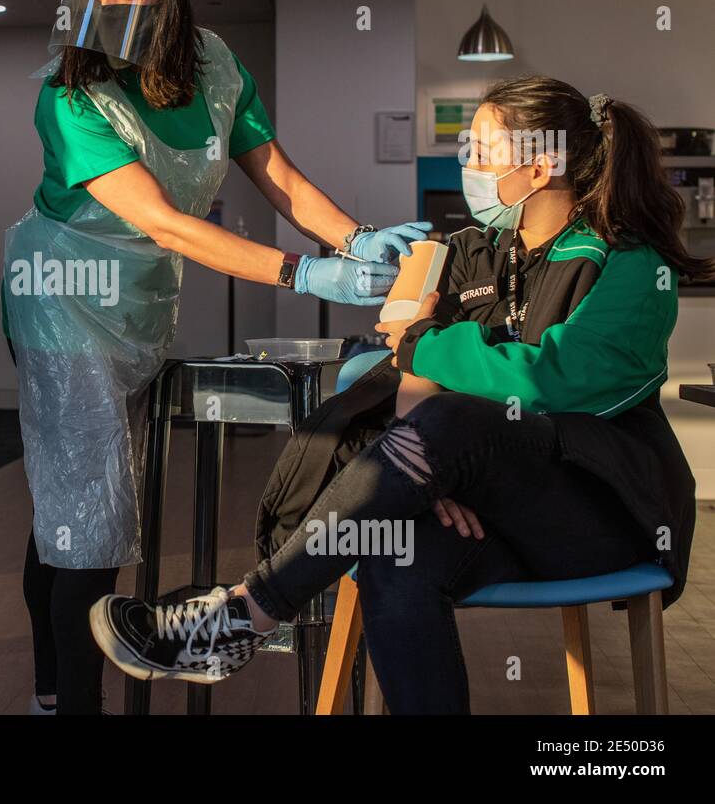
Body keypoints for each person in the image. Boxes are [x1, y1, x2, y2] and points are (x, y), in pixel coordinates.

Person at [90, 77, 704, 713]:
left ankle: (247, 614)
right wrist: (428, 476)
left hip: (601, 512)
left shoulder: (634, 265)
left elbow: (552, 380)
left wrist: (427, 344)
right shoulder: (476, 249)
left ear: (540, 164)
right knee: (395, 556)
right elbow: (411, 360)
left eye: (484, 150)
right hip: (484, 504)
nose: (469, 163)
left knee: (457, 415)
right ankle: (244, 620)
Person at [2, 0, 430, 715]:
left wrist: (358, 240)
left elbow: (279, 177)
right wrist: (306, 276)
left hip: (139, 301)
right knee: (89, 521)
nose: (101, 2)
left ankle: (48, 692)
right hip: (61, 301)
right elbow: (161, 218)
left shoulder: (216, 63)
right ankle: (67, 705)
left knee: (67, 501)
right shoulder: (69, 95)